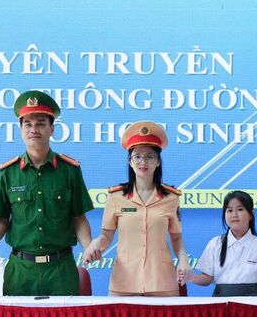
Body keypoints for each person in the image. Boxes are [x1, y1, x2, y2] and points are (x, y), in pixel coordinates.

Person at [0, 90, 95, 295]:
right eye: (28, 124)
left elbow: (78, 217)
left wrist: (89, 246)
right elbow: (1, 219)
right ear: (21, 129)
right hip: (20, 272)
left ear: (52, 129)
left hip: (61, 271)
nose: (33, 129)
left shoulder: (69, 170)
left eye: (40, 123)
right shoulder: (8, 172)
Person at [81, 121, 190, 296]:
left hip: (162, 282)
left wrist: (183, 258)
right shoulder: (116, 197)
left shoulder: (171, 198)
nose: (143, 162)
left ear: (158, 162)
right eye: (137, 156)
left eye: (149, 156)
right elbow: (106, 236)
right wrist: (95, 244)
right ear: (130, 161)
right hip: (124, 283)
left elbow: (176, 237)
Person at [188, 190, 257, 298]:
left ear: (251, 214)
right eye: (230, 210)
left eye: (240, 209)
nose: (234, 215)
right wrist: (191, 277)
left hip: (253, 301)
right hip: (221, 301)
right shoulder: (215, 244)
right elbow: (207, 278)